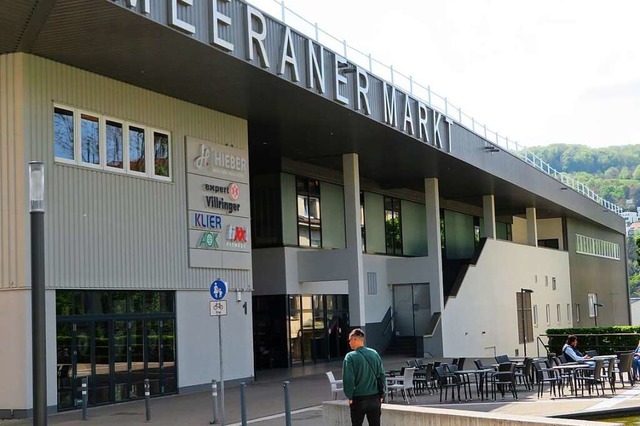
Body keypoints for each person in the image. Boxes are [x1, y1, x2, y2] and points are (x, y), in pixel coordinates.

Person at [342, 328, 386, 426]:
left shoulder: (350, 357)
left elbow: (348, 379)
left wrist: (349, 396)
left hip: (358, 398)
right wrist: (382, 394)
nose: (349, 343)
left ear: (355, 339)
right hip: (375, 397)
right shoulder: (374, 353)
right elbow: (382, 375)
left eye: (350, 340)